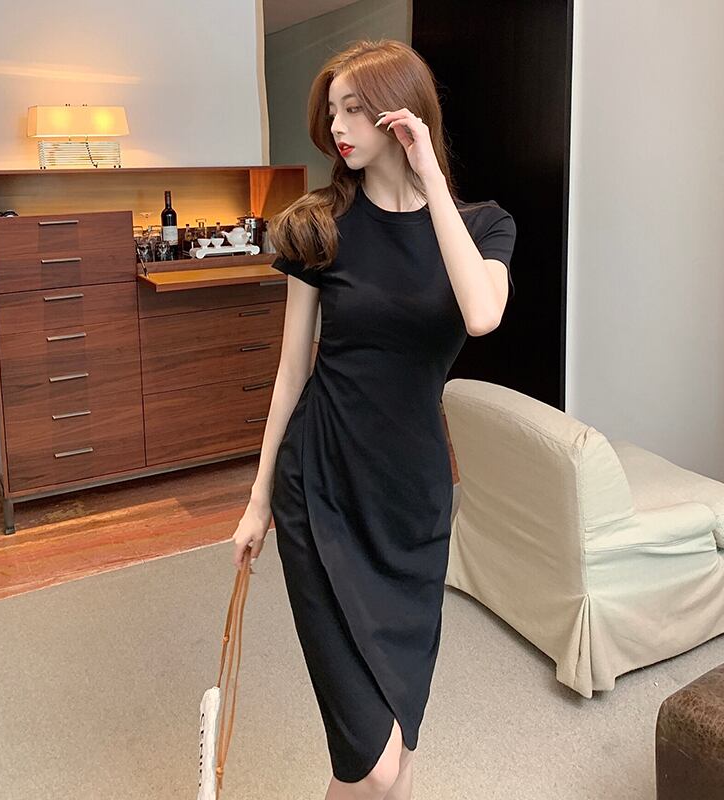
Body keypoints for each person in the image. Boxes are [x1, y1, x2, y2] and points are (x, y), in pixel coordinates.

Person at [230, 38, 516, 800]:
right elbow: (291, 373)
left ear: (402, 114)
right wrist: (259, 500)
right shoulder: (317, 226)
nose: (338, 126)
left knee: (400, 737)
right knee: (372, 763)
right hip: (321, 483)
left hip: (412, 501)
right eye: (332, 110)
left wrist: (431, 179)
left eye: (356, 108)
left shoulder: (485, 227)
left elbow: (481, 314)